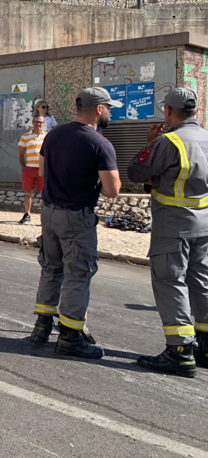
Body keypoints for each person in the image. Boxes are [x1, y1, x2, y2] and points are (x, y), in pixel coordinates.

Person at [29, 87, 121, 358]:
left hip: (49, 212)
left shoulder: (54, 135)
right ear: (99, 109)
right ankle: (70, 336)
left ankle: (42, 326)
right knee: (78, 274)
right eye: (109, 108)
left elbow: (42, 171)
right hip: (76, 216)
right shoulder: (100, 143)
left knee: (51, 268)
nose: (110, 112)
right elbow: (112, 190)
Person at [127, 88, 208, 377]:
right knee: (201, 281)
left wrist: (150, 143)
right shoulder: (206, 137)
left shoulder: (168, 141)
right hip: (204, 223)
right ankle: (205, 345)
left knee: (170, 282)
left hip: (173, 224)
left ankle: (180, 351)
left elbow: (136, 172)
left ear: (169, 111)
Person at [17, 114, 47, 225]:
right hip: (29, 169)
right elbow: (21, 155)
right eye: (36, 122)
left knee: (44, 194)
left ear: (43, 124)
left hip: (43, 169)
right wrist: (24, 168)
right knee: (28, 192)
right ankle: (27, 214)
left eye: (40, 122)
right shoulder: (25, 136)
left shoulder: (47, 136)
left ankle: (45, 217)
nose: (38, 124)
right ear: (32, 123)